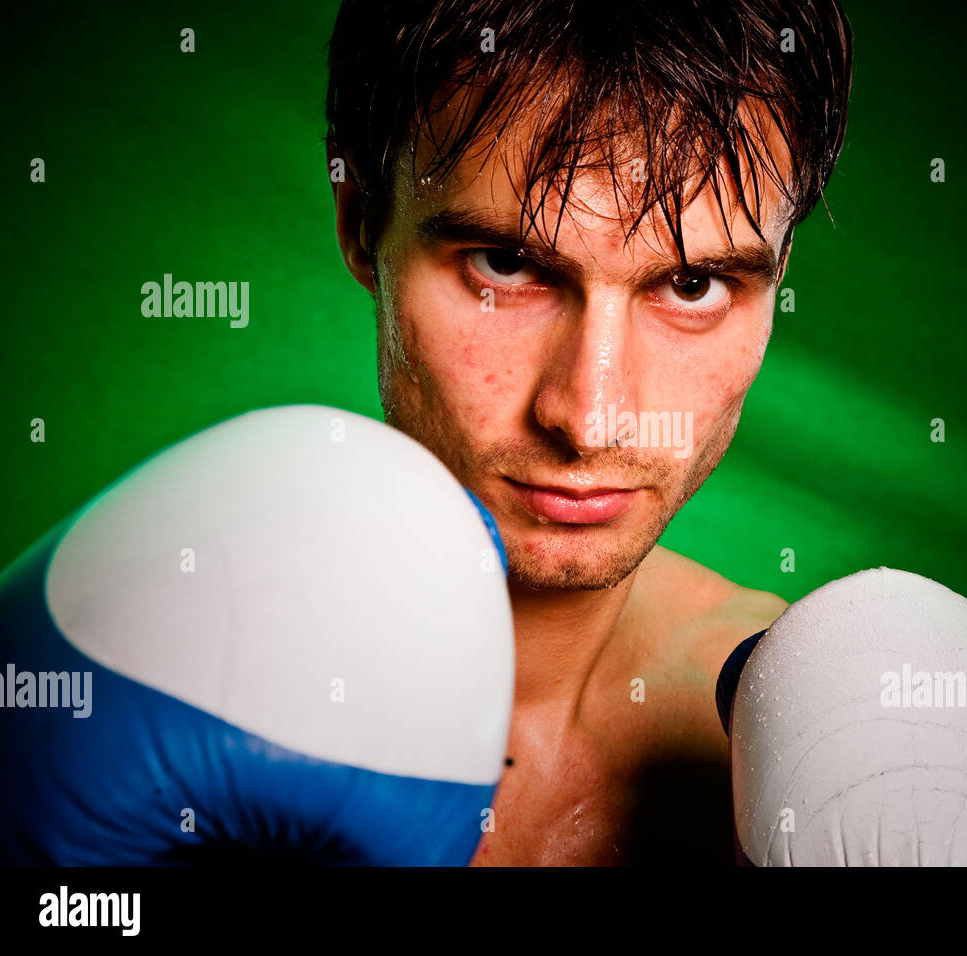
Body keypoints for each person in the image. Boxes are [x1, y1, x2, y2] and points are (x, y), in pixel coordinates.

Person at [324, 0, 854, 864]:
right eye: (508, 265)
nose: (592, 417)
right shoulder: (155, 676)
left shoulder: (828, 755)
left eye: (690, 284)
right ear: (361, 223)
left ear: (779, 271)